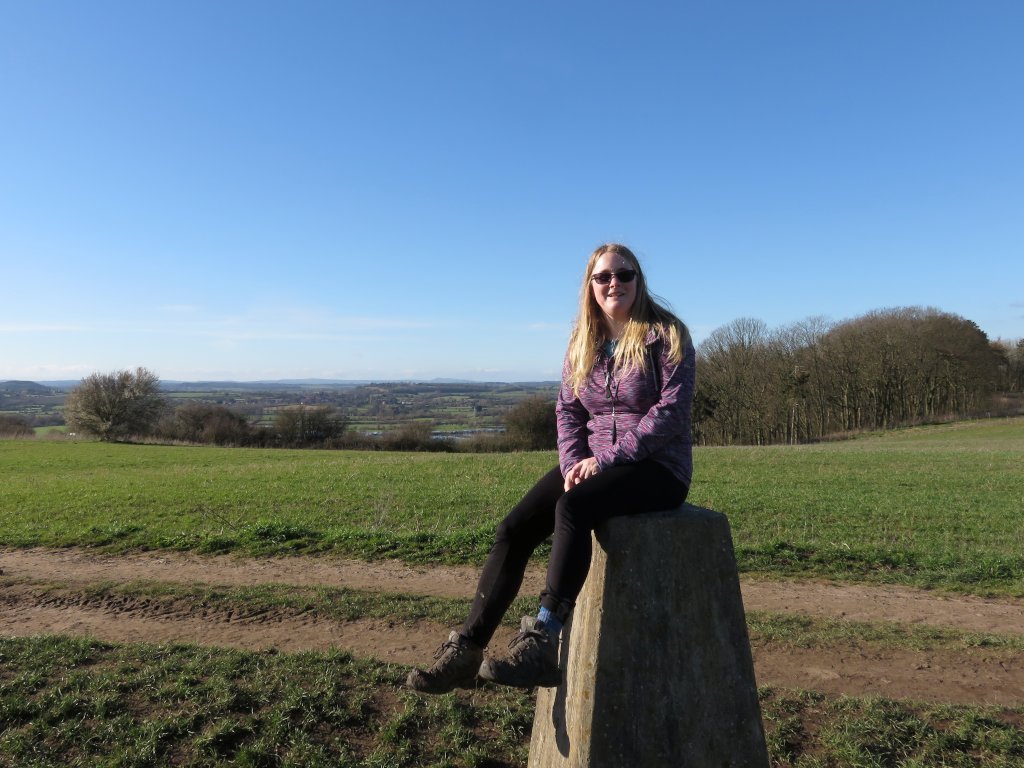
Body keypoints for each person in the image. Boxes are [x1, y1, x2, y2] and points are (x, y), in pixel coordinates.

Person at [406, 243, 695, 693]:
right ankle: (467, 648)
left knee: (574, 508)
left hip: (659, 467)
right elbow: (568, 410)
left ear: (640, 279)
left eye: (625, 274)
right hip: (594, 462)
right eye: (603, 277)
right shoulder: (584, 340)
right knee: (514, 528)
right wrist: (572, 462)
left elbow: (671, 413)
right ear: (590, 285)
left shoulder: (667, 335)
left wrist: (605, 461)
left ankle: (541, 642)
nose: (614, 283)